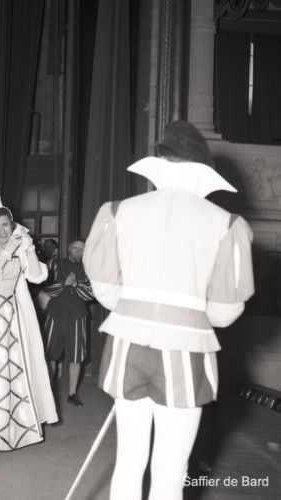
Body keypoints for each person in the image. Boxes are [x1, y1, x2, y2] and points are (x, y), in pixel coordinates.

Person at [83, 121, 254, 500]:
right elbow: (225, 312)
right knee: (171, 468)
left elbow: (106, 292)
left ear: (159, 165)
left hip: (128, 345)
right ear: (203, 173)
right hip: (185, 349)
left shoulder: (118, 211)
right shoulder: (227, 224)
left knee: (129, 459)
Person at [0, 192, 58, 453]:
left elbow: (37, 276)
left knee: (15, 372)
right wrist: (6, 252)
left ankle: (16, 432)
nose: (2, 231)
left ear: (12, 224)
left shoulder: (19, 246)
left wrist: (28, 248)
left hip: (14, 318)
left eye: (5, 225)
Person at [43, 239, 94, 407]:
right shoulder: (54, 264)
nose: (78, 251)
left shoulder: (89, 268)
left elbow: (91, 294)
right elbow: (46, 288)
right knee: (50, 354)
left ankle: (72, 394)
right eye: (75, 247)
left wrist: (77, 284)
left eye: (81, 248)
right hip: (55, 314)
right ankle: (48, 392)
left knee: (76, 357)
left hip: (77, 316)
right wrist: (64, 284)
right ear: (69, 248)